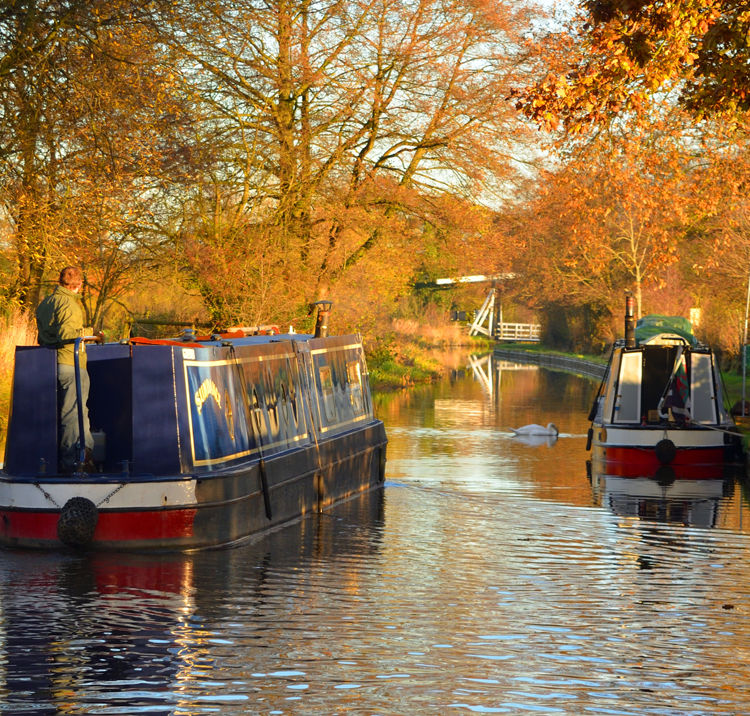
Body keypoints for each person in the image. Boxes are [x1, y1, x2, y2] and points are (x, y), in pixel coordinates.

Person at [35, 266, 95, 473]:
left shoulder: (46, 303)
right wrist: (92, 334)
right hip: (71, 363)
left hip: (50, 364)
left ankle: (82, 456)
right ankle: (74, 462)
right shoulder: (69, 303)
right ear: (78, 285)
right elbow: (67, 333)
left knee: (70, 412)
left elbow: (44, 337)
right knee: (74, 413)